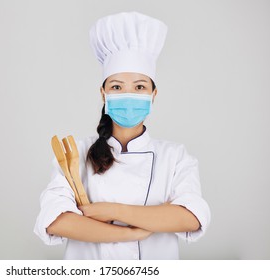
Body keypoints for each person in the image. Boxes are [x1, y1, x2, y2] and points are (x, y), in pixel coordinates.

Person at [34, 12, 211, 260]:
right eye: (117, 86)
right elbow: (56, 220)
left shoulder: (175, 157)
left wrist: (109, 210)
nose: (129, 95)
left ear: (153, 94)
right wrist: (132, 233)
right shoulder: (76, 153)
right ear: (103, 93)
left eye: (139, 87)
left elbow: (191, 217)